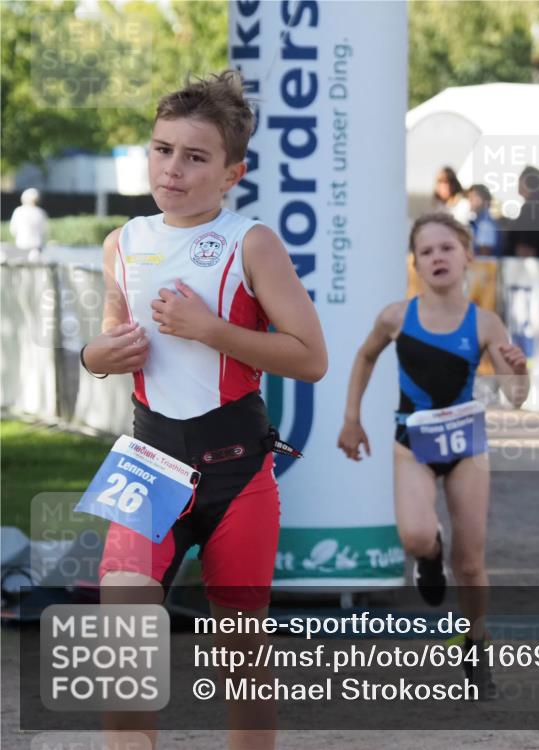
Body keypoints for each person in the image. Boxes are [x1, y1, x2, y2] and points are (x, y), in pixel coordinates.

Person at [83, 71, 327, 749]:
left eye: (195, 157)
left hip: (237, 475)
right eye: (163, 150)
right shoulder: (122, 243)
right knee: (119, 641)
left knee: (241, 665)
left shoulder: (253, 243)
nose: (174, 169)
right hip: (148, 464)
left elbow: (311, 357)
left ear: (232, 172)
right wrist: (99, 355)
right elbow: (106, 348)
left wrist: (211, 330)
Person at [337, 212, 529, 697]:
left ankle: (476, 642)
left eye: (447, 248)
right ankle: (429, 555)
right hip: (413, 444)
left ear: (468, 255)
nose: (438, 257)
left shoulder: (485, 322)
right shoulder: (396, 317)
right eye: (427, 251)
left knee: (470, 564)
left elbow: (516, 396)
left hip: (466, 448)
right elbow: (364, 356)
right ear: (415, 263)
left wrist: (519, 372)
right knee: (418, 536)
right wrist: (351, 418)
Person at [503, 166, 539, 259]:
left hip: (536, 270)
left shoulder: (532, 208)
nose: (517, 184)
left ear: (527, 182)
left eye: (520, 180)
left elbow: (525, 250)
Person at [9, 187, 48, 261]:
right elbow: (44, 231)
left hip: (21, 244)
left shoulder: (18, 211)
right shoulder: (41, 212)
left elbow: (13, 230)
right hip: (36, 246)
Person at [467, 184, 500, 257]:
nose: (470, 202)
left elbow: (484, 256)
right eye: (469, 198)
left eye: (472, 198)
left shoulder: (485, 224)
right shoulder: (479, 222)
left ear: (483, 200)